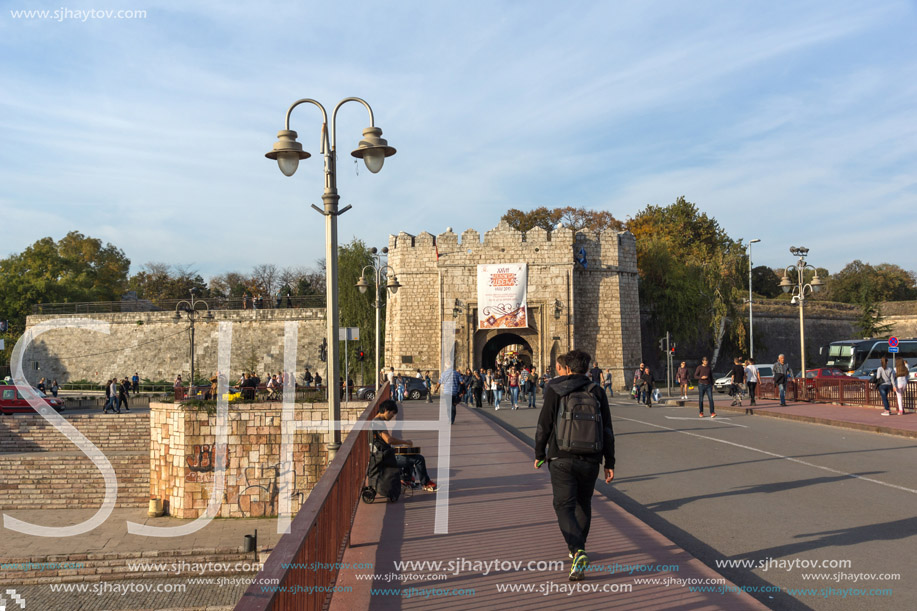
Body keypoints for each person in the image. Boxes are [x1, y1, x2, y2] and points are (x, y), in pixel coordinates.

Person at [535, 349, 615, 582]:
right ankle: (578, 548)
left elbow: (544, 425)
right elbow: (607, 430)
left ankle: (577, 549)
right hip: (591, 458)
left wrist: (540, 453)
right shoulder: (597, 391)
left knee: (563, 505)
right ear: (587, 369)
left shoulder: (555, 389)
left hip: (561, 457)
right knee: (583, 504)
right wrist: (609, 461)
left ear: (567, 368)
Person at [372, 399, 437, 491]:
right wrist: (405, 442)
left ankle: (405, 479)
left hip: (382, 454)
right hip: (385, 457)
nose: (392, 417)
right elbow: (389, 440)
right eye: (392, 414)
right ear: (386, 410)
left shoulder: (375, 420)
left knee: (409, 453)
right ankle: (426, 483)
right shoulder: (378, 423)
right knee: (419, 459)